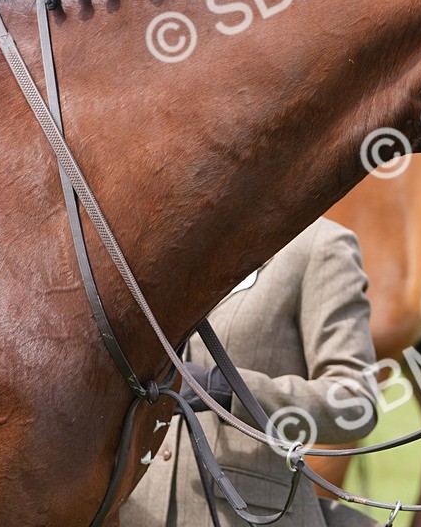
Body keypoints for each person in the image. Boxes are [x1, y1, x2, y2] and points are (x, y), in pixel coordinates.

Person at [119, 217, 380, 526]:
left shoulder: (320, 245)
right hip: (134, 508)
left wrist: (225, 388)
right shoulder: (166, 237)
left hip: (249, 513)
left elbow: (354, 402)